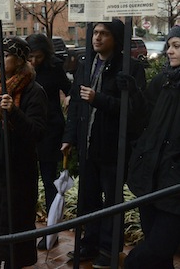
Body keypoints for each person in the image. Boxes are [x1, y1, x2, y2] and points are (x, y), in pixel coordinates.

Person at [61, 19, 146, 266]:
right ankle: (89, 243)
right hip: (87, 145)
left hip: (112, 147)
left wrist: (99, 99)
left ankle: (109, 248)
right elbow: (76, 104)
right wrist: (69, 137)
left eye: (104, 33)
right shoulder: (86, 64)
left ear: (116, 38)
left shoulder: (128, 68)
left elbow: (134, 112)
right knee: (88, 198)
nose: (97, 38)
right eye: (95, 32)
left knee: (111, 200)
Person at [0, 37, 47, 268]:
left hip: (17, 172)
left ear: (21, 59)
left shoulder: (34, 91)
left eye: (5, 55)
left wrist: (14, 112)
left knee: (14, 233)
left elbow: (37, 132)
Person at [125, 26, 180, 269]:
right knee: (160, 260)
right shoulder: (163, 81)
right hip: (150, 180)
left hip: (174, 187)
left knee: (154, 250)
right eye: (169, 45)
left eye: (177, 46)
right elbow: (143, 119)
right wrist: (133, 94)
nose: (169, 51)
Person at [25, 33, 71, 250]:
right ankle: (26, 229)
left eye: (38, 57)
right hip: (27, 130)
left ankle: (51, 233)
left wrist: (70, 98)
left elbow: (70, 90)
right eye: (31, 56)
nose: (34, 61)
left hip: (50, 130)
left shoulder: (54, 68)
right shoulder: (23, 69)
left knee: (48, 179)